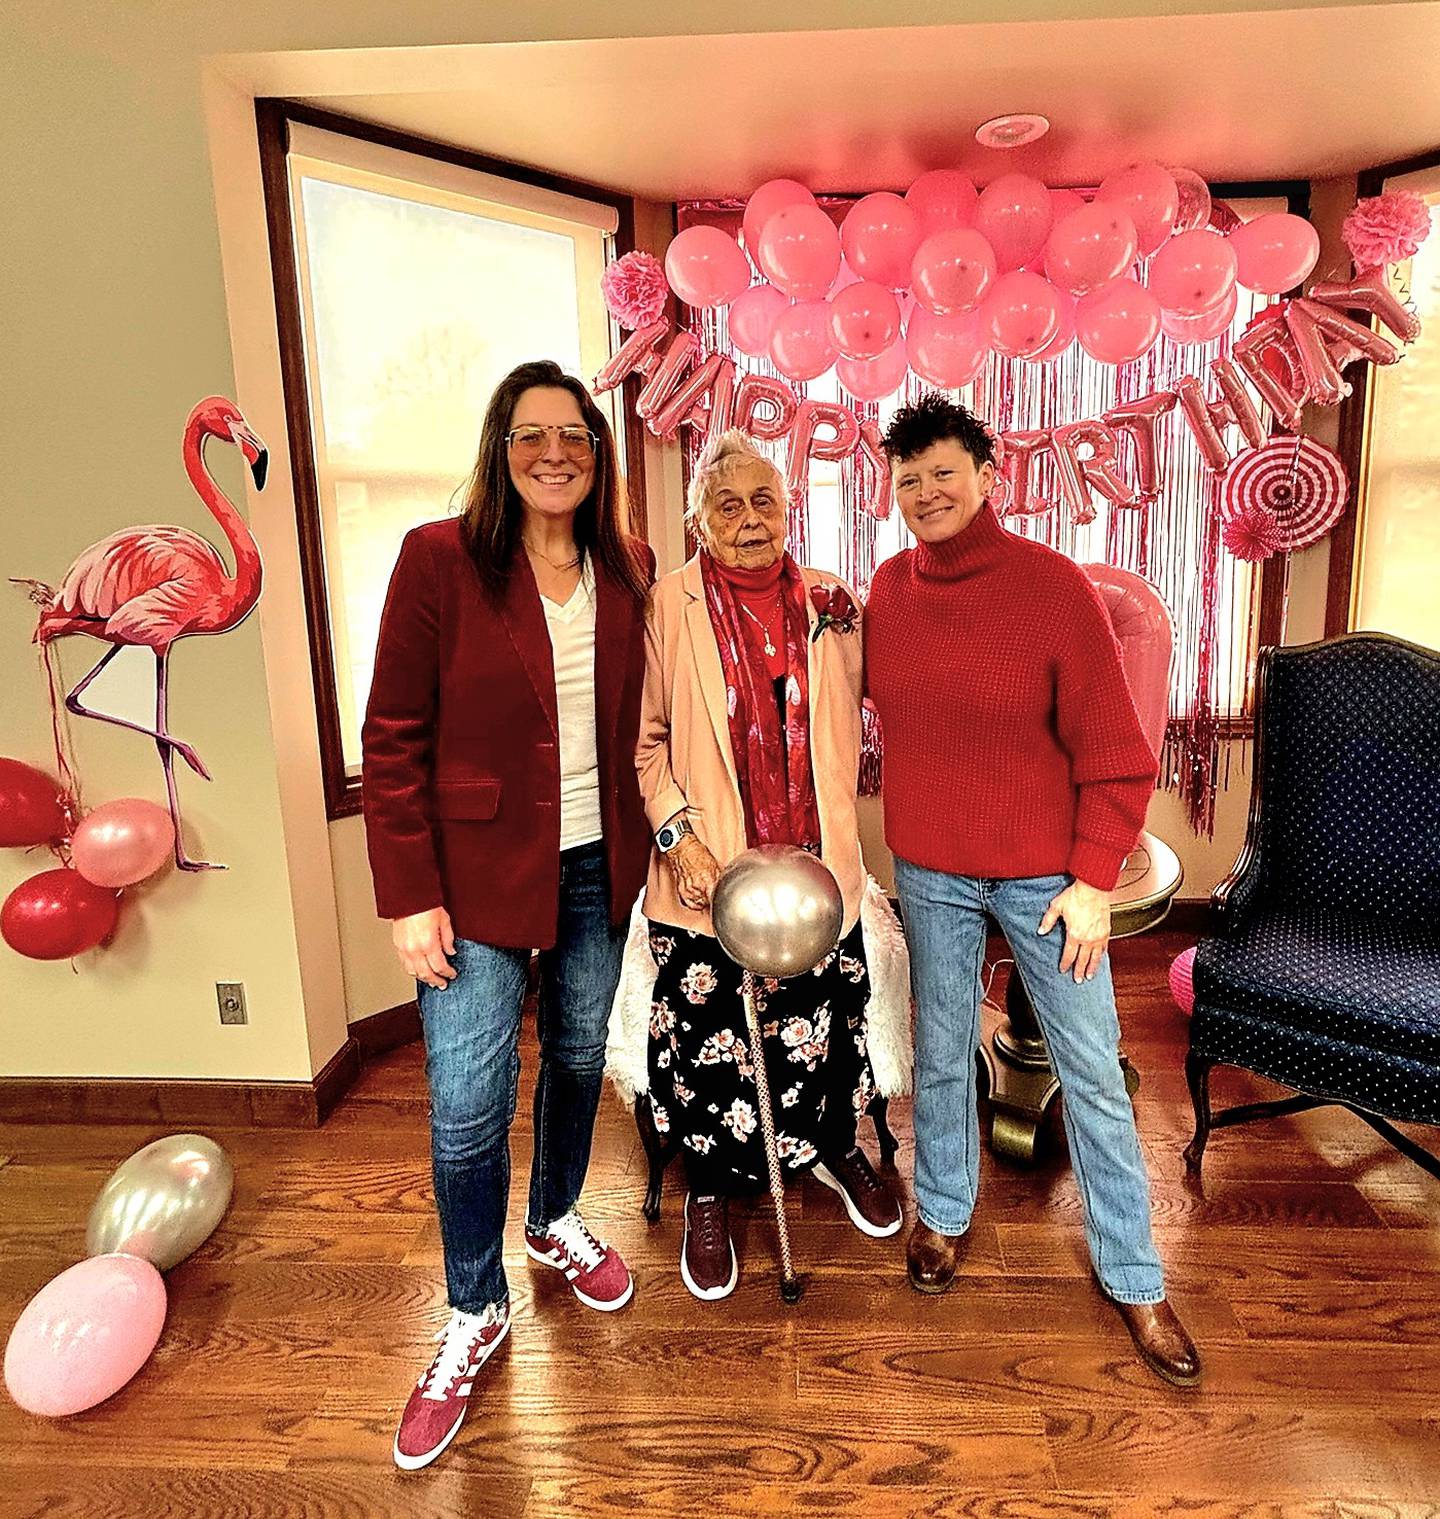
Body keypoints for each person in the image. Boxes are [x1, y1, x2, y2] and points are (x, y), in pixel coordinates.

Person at [865, 393, 1201, 1388]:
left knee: (1093, 1066)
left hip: (1047, 879)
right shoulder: (886, 591)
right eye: (909, 477)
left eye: (944, 473)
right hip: (929, 867)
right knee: (938, 1055)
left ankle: (1135, 1272)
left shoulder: (1053, 588)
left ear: (988, 475)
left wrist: (1094, 881)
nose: (926, 492)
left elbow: (1118, 757)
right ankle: (946, 1215)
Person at [363, 360, 654, 1469]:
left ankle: (554, 1217)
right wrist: (410, 895)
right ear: (500, 445)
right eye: (532, 433)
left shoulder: (625, 569)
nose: (554, 451)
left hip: (597, 865)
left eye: (574, 435)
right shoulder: (439, 562)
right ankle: (475, 1305)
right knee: (468, 1102)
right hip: (472, 877)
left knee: (579, 1056)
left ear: (596, 451)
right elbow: (391, 736)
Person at [636, 429, 901, 1303]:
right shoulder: (665, 606)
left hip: (821, 873)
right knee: (713, 1047)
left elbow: (889, 701)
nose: (750, 520)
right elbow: (646, 746)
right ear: (698, 519)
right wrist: (682, 841)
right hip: (709, 879)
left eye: (765, 502)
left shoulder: (832, 599)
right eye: (728, 504)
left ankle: (832, 1146)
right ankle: (709, 1188)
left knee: (829, 1026)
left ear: (790, 510)